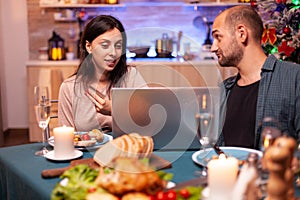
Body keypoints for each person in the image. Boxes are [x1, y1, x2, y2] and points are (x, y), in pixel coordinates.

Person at [210, 5, 300, 149]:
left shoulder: (294, 78)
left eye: (218, 37)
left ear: (241, 34)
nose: (213, 48)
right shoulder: (224, 90)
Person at [58, 15, 147, 132]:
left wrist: (114, 109)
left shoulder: (131, 76)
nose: (113, 53)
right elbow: (66, 136)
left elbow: (149, 121)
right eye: (105, 45)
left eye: (118, 46)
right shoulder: (69, 87)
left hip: (127, 147)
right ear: (89, 47)